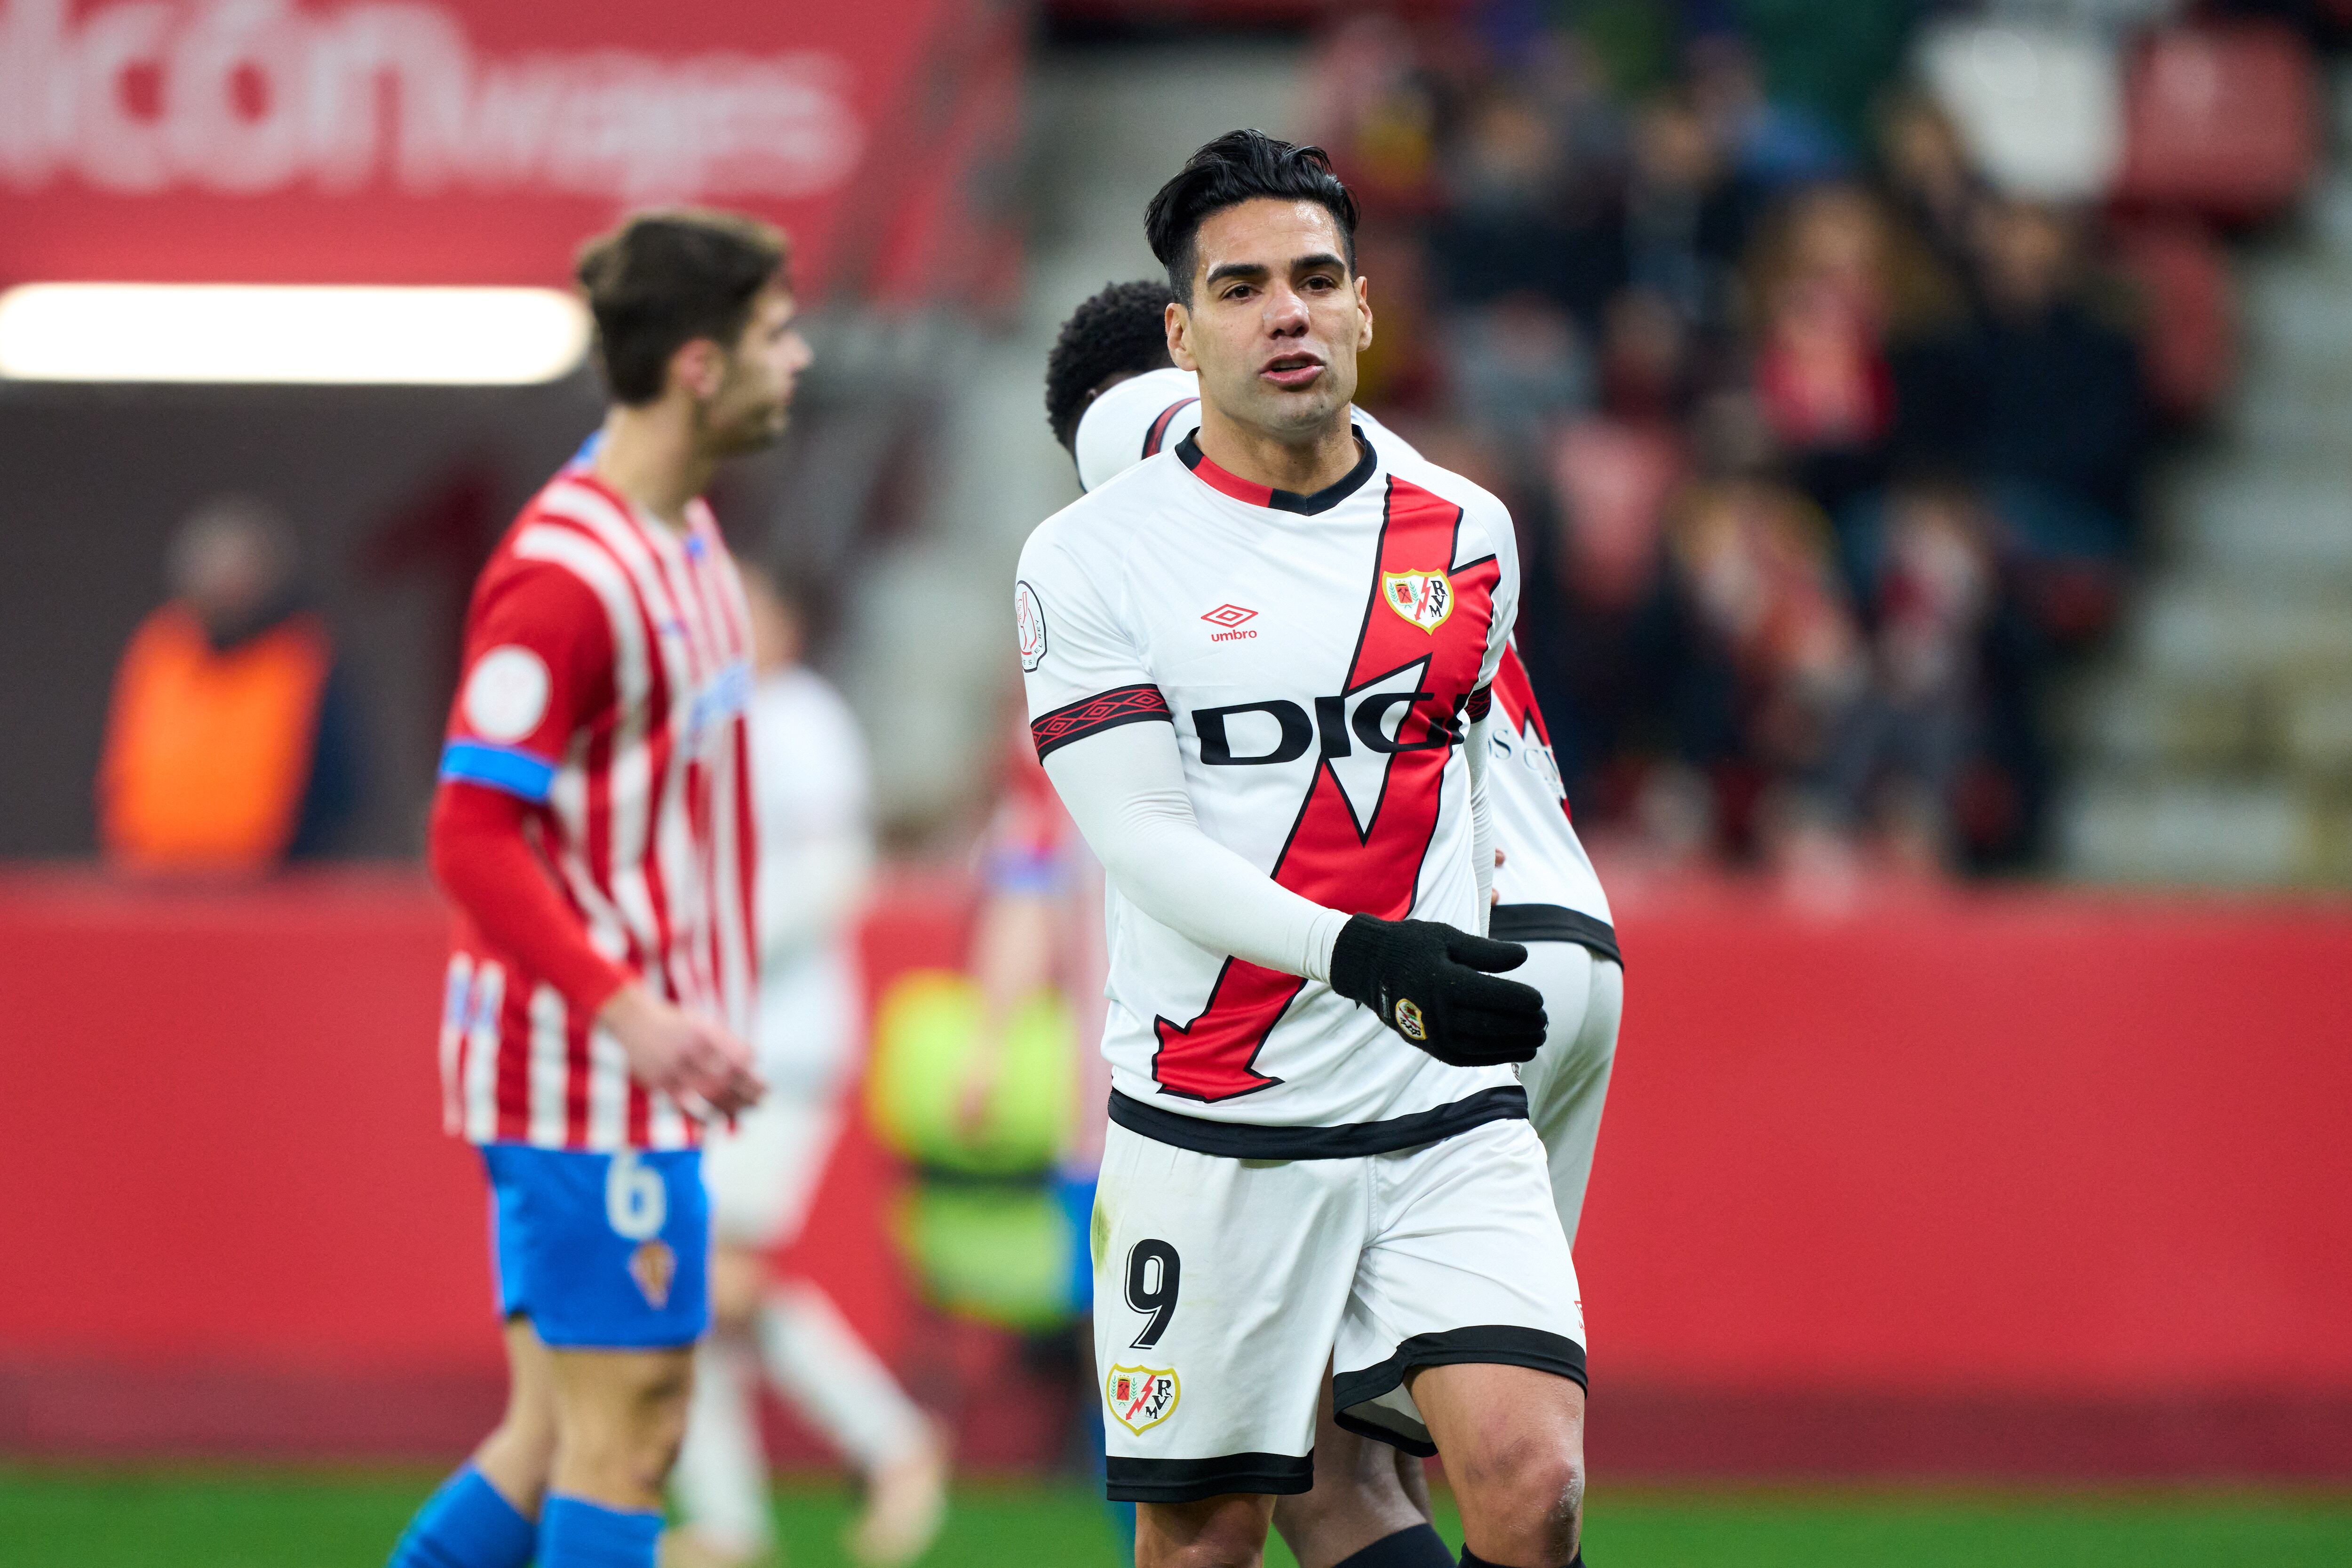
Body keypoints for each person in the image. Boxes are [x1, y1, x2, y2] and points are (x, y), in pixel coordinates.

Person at [1016, 131, 1588, 1568]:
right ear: (1179, 330)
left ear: (1365, 307)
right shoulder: (1088, 559)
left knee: (1532, 1484)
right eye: (1243, 286)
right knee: (1207, 1542)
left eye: (1316, 279)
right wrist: (1361, 953)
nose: (1286, 312)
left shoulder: (1468, 533)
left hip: (1439, 1102)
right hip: (1213, 1122)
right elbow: (1138, 838)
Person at [385, 208, 803, 1568]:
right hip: (586, 1074)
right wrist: (631, 1015)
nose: (795, 358)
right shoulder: (567, 575)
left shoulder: (680, 533)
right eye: (773, 333)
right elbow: (467, 833)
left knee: (559, 1430)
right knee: (634, 1431)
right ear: (697, 365)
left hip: (631, 1064)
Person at [666, 565, 948, 1568]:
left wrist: (715, 958)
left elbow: (837, 873)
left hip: (780, 1039)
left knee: (707, 1271)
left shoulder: (800, 720)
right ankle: (731, 1516)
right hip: (722, 1039)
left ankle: (891, 1442)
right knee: (689, 1277)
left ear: (782, 618)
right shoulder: (708, 728)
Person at [97, 495, 359, 873]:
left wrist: (302, 864)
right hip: (150, 876)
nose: (226, 588)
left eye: (238, 573)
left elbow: (338, 781)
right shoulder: (160, 648)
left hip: (268, 883)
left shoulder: (302, 657)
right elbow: (118, 755)